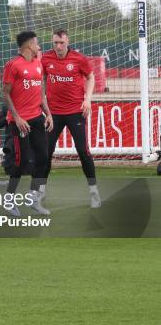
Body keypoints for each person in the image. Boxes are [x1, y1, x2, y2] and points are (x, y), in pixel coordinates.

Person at [40, 29, 100, 208]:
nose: (58, 46)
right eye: (55, 43)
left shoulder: (79, 58)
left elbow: (90, 77)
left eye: (61, 43)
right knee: (46, 152)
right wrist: (42, 103)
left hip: (76, 112)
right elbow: (42, 79)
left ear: (67, 42)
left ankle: (94, 192)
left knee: (83, 151)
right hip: (53, 114)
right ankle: (40, 191)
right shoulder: (45, 59)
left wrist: (87, 99)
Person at [2, 30, 53, 216]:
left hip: (37, 118)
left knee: (43, 158)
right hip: (19, 122)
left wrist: (48, 113)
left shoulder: (38, 64)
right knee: (21, 161)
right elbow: (5, 93)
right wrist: (17, 117)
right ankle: (9, 199)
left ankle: (33, 197)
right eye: (37, 43)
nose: (39, 46)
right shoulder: (13, 65)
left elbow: (41, 93)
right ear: (29, 45)